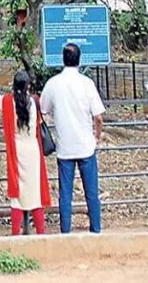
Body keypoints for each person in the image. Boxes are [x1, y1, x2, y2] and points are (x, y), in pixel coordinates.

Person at [40, 43, 105, 234]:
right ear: (79, 60)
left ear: (63, 59)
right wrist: (97, 137)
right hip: (86, 145)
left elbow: (43, 109)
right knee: (92, 192)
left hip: (65, 146)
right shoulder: (87, 83)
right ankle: (95, 229)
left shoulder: (53, 84)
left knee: (65, 194)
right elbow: (98, 116)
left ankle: (65, 231)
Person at [1, 70, 51, 235]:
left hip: (17, 149)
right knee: (35, 192)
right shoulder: (34, 102)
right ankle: (41, 233)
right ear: (28, 85)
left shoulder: (8, 102)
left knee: (17, 196)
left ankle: (15, 233)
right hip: (33, 149)